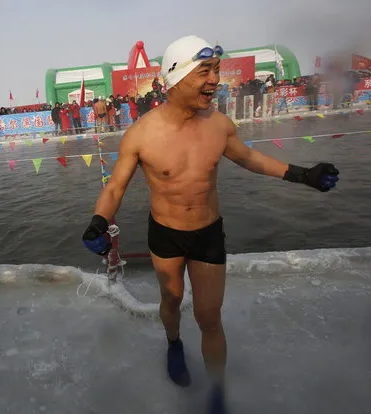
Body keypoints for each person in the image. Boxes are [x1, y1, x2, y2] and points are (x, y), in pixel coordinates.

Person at [81, 35, 339, 414]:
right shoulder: (142, 134)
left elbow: (249, 158)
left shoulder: (219, 125)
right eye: (205, 71)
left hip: (207, 233)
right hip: (165, 234)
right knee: (170, 298)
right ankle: (173, 343)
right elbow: (116, 186)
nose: (215, 80)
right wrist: (98, 222)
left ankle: (216, 389)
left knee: (208, 315)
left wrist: (303, 174)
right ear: (176, 77)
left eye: (216, 70)